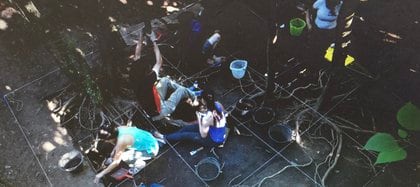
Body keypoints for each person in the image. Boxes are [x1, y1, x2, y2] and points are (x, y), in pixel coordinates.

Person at [133, 30, 199, 121]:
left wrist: (141, 34)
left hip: (153, 104)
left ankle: (188, 92)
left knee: (164, 80)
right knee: (182, 89)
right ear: (146, 72)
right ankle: (194, 97)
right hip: (160, 112)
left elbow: (137, 53)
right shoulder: (149, 79)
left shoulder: (134, 73)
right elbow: (159, 61)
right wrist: (154, 41)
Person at [153, 91, 227, 147]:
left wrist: (199, 118)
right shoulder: (218, 104)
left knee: (185, 135)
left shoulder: (208, 118)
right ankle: (168, 138)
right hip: (215, 131)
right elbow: (223, 113)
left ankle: (163, 137)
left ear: (204, 101)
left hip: (213, 140)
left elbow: (203, 135)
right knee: (186, 128)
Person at [93, 123, 160, 183]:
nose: (107, 142)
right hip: (150, 139)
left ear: (110, 138)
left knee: (124, 156)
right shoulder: (119, 129)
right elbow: (118, 143)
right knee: (120, 151)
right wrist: (114, 151)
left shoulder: (122, 141)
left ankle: (139, 165)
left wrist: (101, 174)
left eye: (107, 140)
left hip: (151, 150)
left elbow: (116, 162)